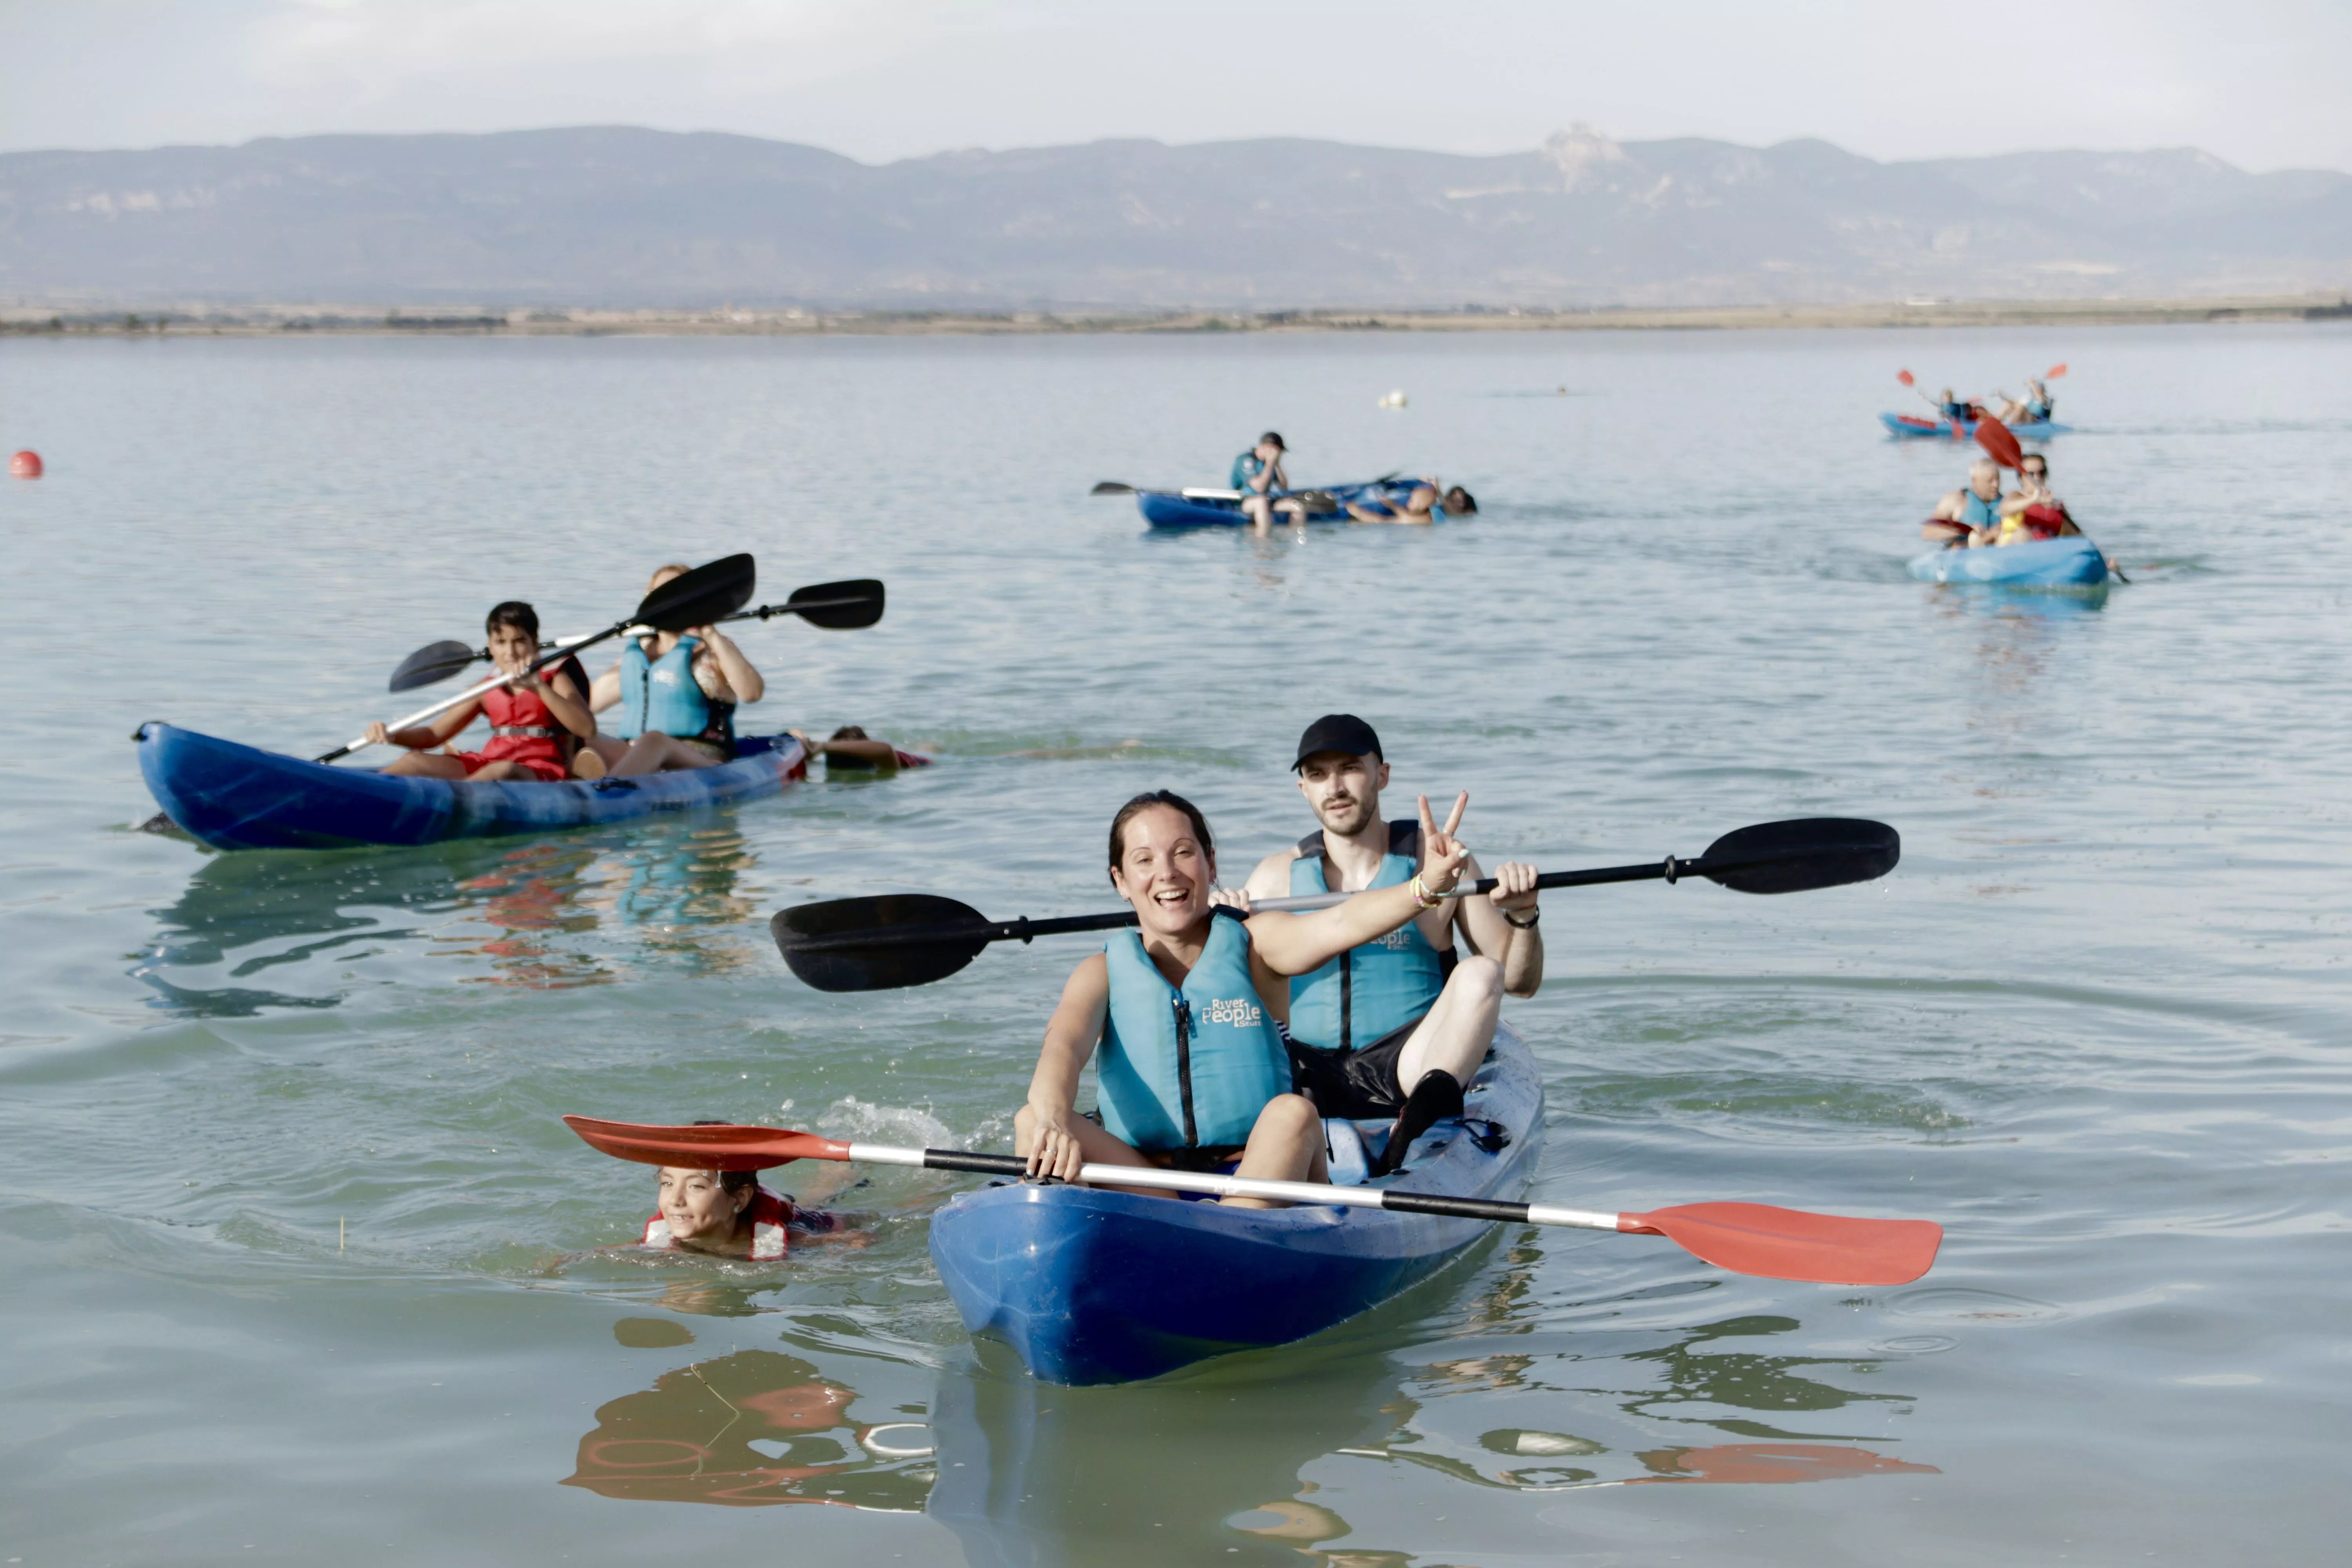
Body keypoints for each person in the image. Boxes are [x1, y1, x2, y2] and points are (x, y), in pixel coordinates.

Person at [1016, 788, 1478, 1207]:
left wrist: (1426, 887)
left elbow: (1342, 923)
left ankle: (1224, 1249)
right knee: (1031, 1119)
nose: (1167, 874)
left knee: (1293, 1113)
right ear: (1120, 879)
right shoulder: (1102, 974)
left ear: (1211, 864)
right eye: (1145, 861)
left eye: (1183, 853)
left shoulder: (1257, 945)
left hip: (1256, 1175)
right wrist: (1053, 1121)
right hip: (1148, 1185)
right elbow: (1064, 1049)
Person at [1237, 716, 1540, 1168]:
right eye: (1318, 775)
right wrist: (1220, 916)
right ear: (1304, 789)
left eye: (1349, 768)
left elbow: (1519, 981)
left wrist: (1522, 914)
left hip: (1408, 1064)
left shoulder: (1436, 859)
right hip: (1306, 1072)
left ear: (1382, 774)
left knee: (1482, 972)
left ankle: (1417, 1123)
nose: (1335, 786)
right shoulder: (1275, 877)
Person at [364, 601, 595, 780]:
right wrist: (393, 734)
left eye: (519, 641)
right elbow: (434, 735)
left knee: (503, 771)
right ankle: (367, 797)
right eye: (501, 642)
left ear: (534, 643)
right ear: (491, 646)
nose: (511, 652)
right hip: (489, 762)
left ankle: (451, 807)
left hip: (540, 770)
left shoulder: (554, 679)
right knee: (414, 761)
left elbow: (587, 728)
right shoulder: (487, 687)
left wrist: (538, 687)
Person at [586, 564, 766, 777]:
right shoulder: (634, 657)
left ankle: (608, 790)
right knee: (580, 734)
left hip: (703, 763)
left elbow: (752, 693)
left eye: (674, 591)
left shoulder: (712, 651)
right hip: (637, 755)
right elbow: (584, 707)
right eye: (658, 593)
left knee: (655, 741)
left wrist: (709, 631)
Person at [639, 1124, 858, 1261]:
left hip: (807, 1220)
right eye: (667, 1184)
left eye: (696, 1186)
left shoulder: (790, 1240)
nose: (675, 1201)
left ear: (739, 1199)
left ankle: (837, 1172)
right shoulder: (663, 1235)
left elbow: (861, 1238)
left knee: (826, 1206)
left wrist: (839, 1257)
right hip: (752, 1206)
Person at [1923, 458, 2009, 547]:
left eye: (1998, 479)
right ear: (1975, 482)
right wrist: (1964, 530)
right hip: (1963, 553)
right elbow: (1928, 532)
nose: (1996, 485)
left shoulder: (2008, 502)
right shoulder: (1957, 500)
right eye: (1990, 481)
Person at [788, 725, 930, 773]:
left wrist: (823, 746)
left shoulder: (887, 763)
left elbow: (886, 750)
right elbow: (795, 732)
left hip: (917, 761)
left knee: (926, 749)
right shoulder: (833, 761)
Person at [1230, 432, 1295, 529]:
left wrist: (1277, 465)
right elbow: (1259, 487)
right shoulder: (1247, 460)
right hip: (1245, 502)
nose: (1279, 455)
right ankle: (1264, 540)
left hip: (1266, 500)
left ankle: (1293, 539)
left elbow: (1284, 487)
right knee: (1261, 502)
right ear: (1268, 447)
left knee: (1296, 506)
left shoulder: (1271, 463)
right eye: (1278, 451)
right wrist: (1269, 464)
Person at [1346, 478, 1479, 525]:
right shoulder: (1438, 509)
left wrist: (1358, 514)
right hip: (1420, 512)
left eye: (1459, 501)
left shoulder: (1453, 515)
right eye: (1453, 497)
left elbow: (1395, 520)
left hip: (1424, 519)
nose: (1454, 501)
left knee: (1388, 521)